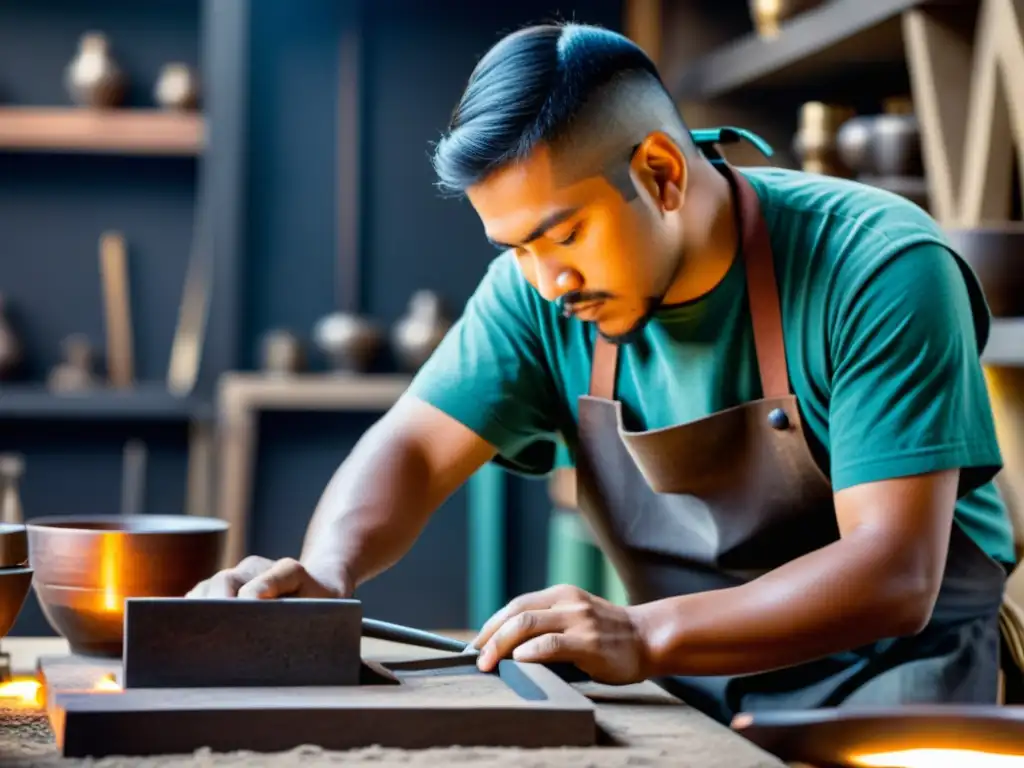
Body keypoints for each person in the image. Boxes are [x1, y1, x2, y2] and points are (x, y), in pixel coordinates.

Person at [187, 22, 1015, 723]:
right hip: (696, 691)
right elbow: (410, 447)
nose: (549, 281)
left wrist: (644, 635)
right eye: (517, 248)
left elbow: (895, 572)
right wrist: (330, 570)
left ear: (661, 172)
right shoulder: (536, 291)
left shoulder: (878, 265)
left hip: (907, 687)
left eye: (564, 234)